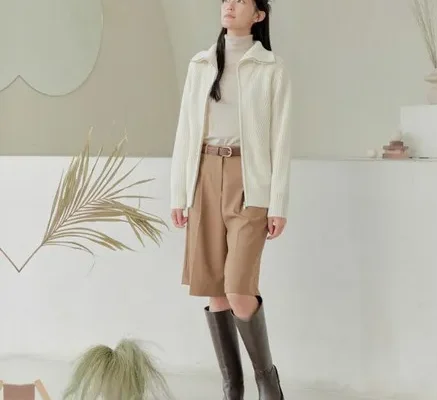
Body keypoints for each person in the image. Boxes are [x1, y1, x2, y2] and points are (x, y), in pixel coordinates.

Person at [170, 0, 291, 398]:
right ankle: (232, 388)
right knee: (216, 288)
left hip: (249, 180)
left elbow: (280, 140)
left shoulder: (271, 68)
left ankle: (267, 383)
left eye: (241, 0)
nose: (230, 5)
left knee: (239, 287)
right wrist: (179, 193)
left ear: (259, 15)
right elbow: (186, 130)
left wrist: (278, 204)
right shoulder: (200, 65)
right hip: (204, 174)